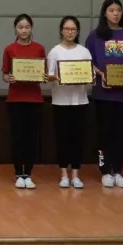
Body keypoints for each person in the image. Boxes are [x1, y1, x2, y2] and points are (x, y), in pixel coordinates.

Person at [84, 0, 123, 188]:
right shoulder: (95, 35)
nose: (116, 14)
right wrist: (101, 75)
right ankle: (105, 170)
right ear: (104, 13)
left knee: (120, 134)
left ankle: (118, 170)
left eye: (118, 10)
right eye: (112, 10)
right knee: (103, 133)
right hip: (102, 94)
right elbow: (88, 61)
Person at [46, 16, 92, 189]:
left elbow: (90, 76)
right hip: (61, 101)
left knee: (78, 139)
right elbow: (49, 75)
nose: (70, 32)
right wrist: (57, 77)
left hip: (80, 101)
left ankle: (76, 175)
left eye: (73, 29)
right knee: (62, 138)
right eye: (67, 29)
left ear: (77, 31)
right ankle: (64, 174)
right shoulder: (54, 51)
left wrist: (87, 77)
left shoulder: (84, 51)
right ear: (61, 31)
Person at [1, 13, 45, 189]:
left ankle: (29, 174)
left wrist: (43, 76)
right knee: (17, 137)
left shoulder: (39, 48)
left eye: (27, 27)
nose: (24, 30)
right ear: (15, 29)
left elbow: (44, 72)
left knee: (32, 138)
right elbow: (5, 74)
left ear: (31, 28)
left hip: (34, 99)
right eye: (20, 27)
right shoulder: (9, 49)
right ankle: (19, 173)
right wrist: (9, 78)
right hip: (15, 98)